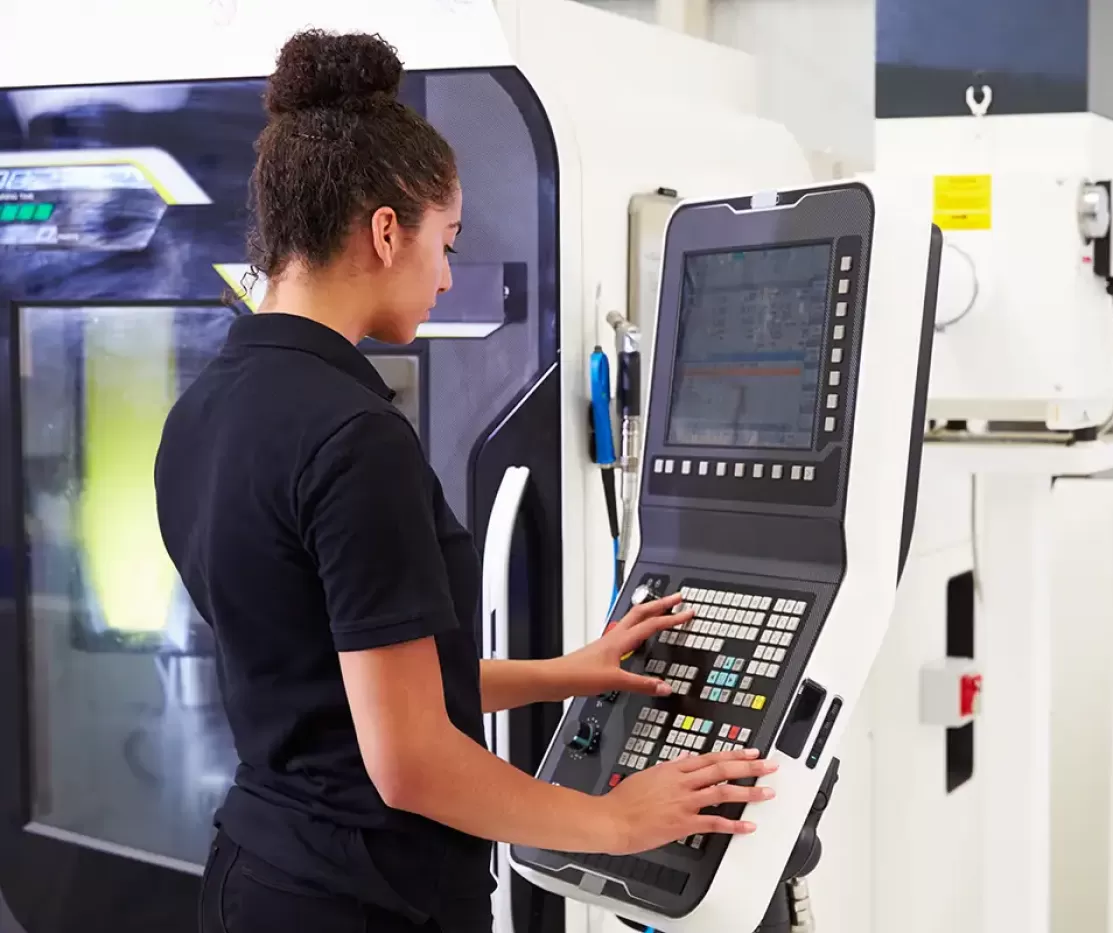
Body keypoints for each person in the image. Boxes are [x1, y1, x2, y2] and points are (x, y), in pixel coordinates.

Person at [154, 29, 776, 933]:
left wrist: (566, 672)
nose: (447, 275)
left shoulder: (202, 412)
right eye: (444, 241)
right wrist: (616, 818)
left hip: (253, 878)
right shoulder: (353, 438)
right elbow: (407, 757)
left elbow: (341, 681)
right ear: (383, 231)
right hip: (363, 902)